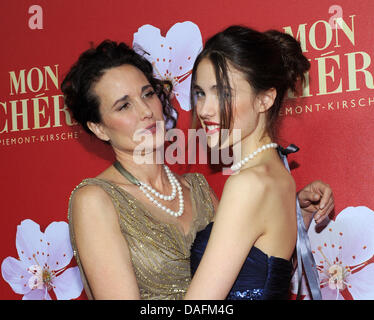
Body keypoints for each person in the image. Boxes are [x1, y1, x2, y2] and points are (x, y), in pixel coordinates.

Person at [62, 39, 333, 300]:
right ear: (98, 127)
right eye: (124, 106)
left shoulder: (197, 189)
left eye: (148, 94)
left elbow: (252, 279)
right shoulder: (95, 200)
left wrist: (292, 214)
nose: (146, 111)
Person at [185, 25, 325, 300]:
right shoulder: (279, 173)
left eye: (223, 93)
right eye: (200, 93)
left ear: (265, 99)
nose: (204, 109)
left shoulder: (248, 184)